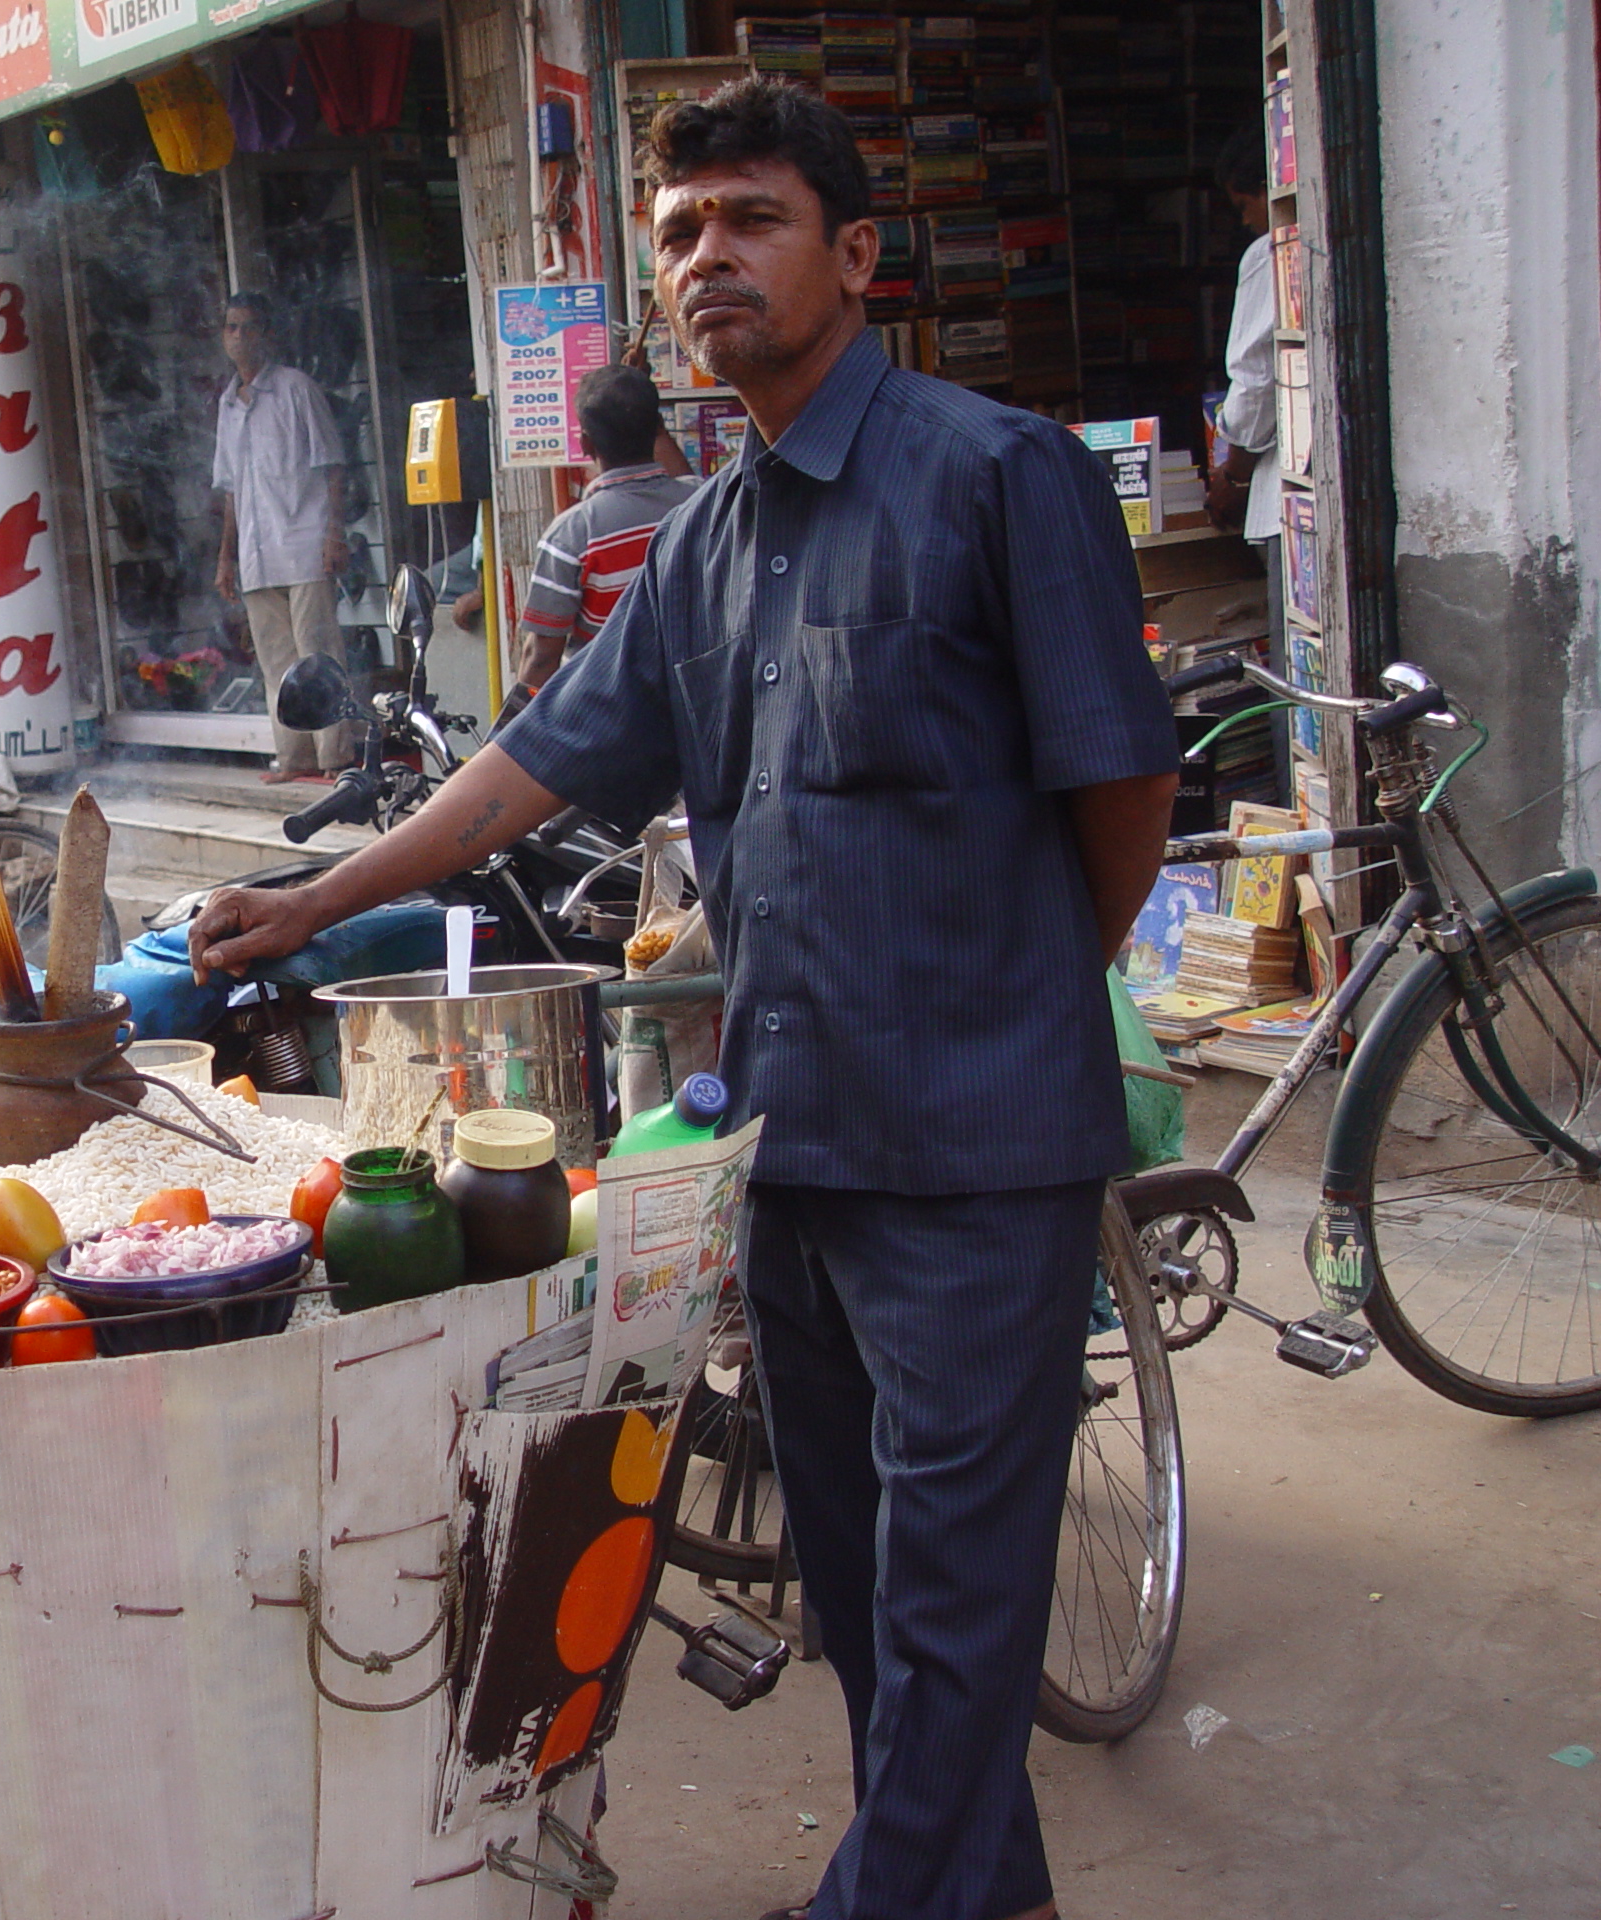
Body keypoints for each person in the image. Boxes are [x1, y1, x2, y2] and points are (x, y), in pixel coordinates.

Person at [191, 77, 1176, 1920]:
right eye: (678, 235)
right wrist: (311, 898)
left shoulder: (993, 476)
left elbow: (1126, 790)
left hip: (973, 1160)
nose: (706, 258)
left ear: (856, 256)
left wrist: (1034, 999)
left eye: (750, 220)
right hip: (790, 1156)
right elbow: (528, 769)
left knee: (959, 1616)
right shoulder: (706, 549)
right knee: (878, 1612)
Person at [500, 364, 700, 725]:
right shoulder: (699, 504)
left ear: (585, 444)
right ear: (657, 428)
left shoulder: (572, 535)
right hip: (695, 708)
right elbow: (683, 477)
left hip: (611, 722)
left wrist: (507, 735)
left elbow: (541, 659)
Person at [210, 291, 352, 782]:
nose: (239, 336)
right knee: (275, 662)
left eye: (249, 327)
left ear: (267, 335)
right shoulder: (228, 406)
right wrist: (226, 557)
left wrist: (334, 534)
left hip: (304, 542)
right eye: (231, 327)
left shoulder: (296, 390)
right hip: (255, 552)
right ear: (223, 336)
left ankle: (335, 756)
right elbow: (230, 490)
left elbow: (332, 466)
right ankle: (294, 759)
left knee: (318, 653)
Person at [1206, 126, 1281, 630]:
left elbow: (1255, 382)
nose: (1248, 221)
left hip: (1283, 499)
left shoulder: (1270, 254)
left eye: (1243, 204)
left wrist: (1233, 473)